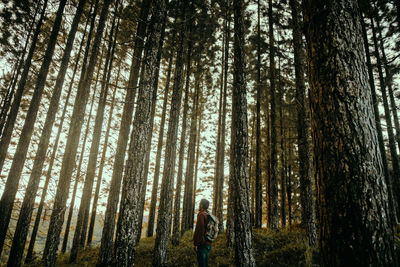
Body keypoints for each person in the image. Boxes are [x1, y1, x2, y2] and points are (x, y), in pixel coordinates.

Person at [193, 199, 212, 267]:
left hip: (202, 244)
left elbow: (199, 230)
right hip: (208, 243)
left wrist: (196, 243)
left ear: (201, 205)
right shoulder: (208, 215)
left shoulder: (201, 215)